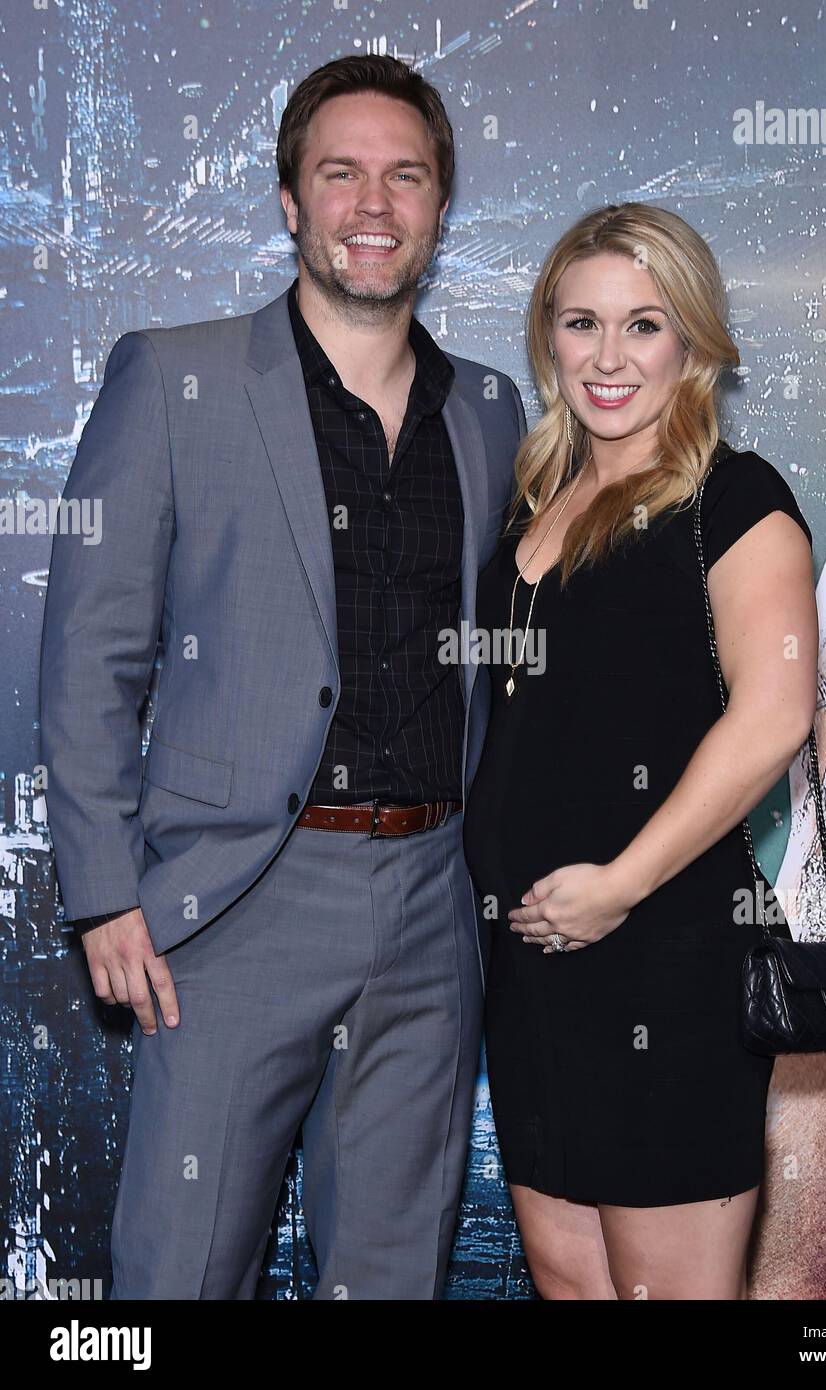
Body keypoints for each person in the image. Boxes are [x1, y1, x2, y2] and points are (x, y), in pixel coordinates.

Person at [38, 54, 525, 1300]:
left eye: (404, 176)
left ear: (439, 203)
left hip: (430, 906)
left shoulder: (489, 411)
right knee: (180, 1277)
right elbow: (92, 651)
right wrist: (100, 892)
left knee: (391, 1275)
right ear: (290, 201)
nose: (374, 204)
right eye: (342, 174)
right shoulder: (176, 378)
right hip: (232, 904)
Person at [462, 201, 819, 1300]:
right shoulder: (534, 496)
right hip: (533, 974)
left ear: (695, 341)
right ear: (548, 338)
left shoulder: (736, 499)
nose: (609, 358)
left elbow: (776, 712)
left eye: (644, 325)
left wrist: (618, 884)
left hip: (665, 957)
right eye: (581, 325)